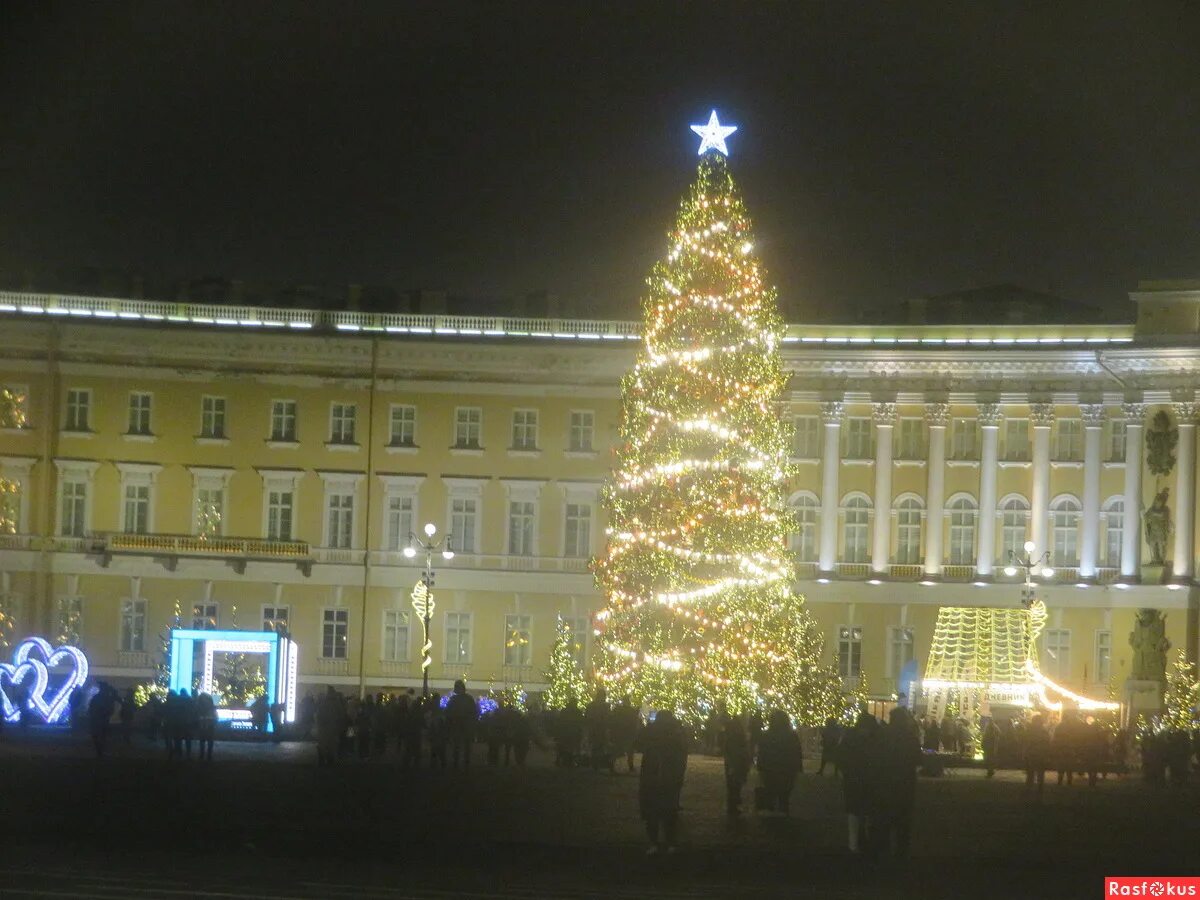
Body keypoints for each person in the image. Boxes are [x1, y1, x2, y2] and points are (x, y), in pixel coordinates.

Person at [873, 707, 921, 860]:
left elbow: (876, 757)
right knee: (903, 820)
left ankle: (883, 851)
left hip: (885, 781)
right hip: (905, 783)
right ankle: (901, 852)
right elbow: (918, 760)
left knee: (884, 818)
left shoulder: (882, 735)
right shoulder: (910, 737)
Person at [639, 710, 688, 855]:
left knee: (653, 810)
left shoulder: (652, 732)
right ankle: (670, 842)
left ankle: (655, 842)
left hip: (653, 776)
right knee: (669, 809)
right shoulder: (676, 733)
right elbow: (682, 754)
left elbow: (639, 742)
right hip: (669, 776)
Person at [840, 711, 880, 854]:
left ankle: (853, 844)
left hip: (853, 780)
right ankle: (867, 842)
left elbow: (842, 756)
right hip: (870, 781)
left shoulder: (850, 737)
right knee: (868, 812)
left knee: (854, 813)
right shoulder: (876, 739)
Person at [757, 709, 803, 815]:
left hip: (770, 769)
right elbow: (796, 753)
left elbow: (762, 753)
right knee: (784, 796)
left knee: (770, 794)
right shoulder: (791, 736)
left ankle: (771, 818)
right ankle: (783, 816)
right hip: (786, 770)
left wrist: (760, 767)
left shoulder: (766, 735)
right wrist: (798, 768)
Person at [721, 711, 751, 817]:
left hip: (733, 763)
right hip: (737, 762)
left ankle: (733, 804)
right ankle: (734, 804)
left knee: (732, 785)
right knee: (736, 785)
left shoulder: (731, 737)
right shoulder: (739, 736)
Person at [445, 680, 478, 769]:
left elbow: (448, 713)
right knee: (463, 745)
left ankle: (459, 763)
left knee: (458, 745)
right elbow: (474, 712)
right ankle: (464, 763)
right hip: (463, 725)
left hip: (459, 725)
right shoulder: (468, 699)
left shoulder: (454, 699)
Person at [609, 698, 641, 773]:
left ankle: (611, 765)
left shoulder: (618, 710)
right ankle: (630, 766)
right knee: (630, 751)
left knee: (617, 749)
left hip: (619, 733)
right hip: (628, 733)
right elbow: (634, 722)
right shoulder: (631, 711)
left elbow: (613, 720)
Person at [87, 682, 118, 758]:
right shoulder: (104, 698)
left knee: (99, 735)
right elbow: (110, 709)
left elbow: (91, 708)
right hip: (101, 719)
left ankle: (100, 751)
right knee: (101, 735)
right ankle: (100, 751)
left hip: (99, 719)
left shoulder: (98, 697)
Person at [316, 687, 344, 767]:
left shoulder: (323, 703)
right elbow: (341, 715)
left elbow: (319, 716)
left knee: (323, 745)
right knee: (332, 746)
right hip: (333, 728)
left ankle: (322, 761)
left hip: (324, 728)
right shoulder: (337, 704)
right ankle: (330, 761)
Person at [585, 688, 612, 770]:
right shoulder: (606, 706)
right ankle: (598, 763)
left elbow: (587, 717)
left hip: (593, 728)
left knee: (595, 746)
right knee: (601, 746)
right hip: (602, 728)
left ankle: (595, 763)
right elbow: (608, 717)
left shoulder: (591, 705)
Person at [1024, 714, 1050, 797]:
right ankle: (1039, 789)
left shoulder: (1029, 730)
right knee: (1040, 773)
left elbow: (1026, 742)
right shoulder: (1043, 731)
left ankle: (1029, 789)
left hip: (1032, 754)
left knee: (1031, 773)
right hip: (1040, 754)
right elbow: (1047, 743)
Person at [196, 692, 217, 761]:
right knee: (209, 741)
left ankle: (202, 755)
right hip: (210, 725)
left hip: (202, 725)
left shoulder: (199, 706)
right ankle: (209, 756)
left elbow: (197, 716)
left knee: (202, 741)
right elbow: (215, 717)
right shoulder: (212, 707)